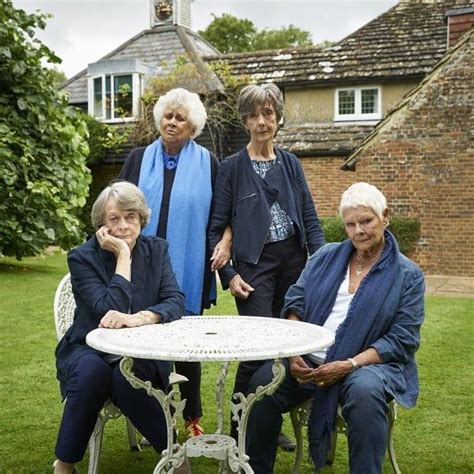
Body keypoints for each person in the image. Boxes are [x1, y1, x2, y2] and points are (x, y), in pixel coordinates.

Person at [246, 182, 425, 474]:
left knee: (366, 393)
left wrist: (349, 364)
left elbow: (402, 339)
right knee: (262, 384)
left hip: (366, 364)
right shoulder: (326, 257)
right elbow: (296, 300)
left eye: (366, 221)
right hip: (307, 359)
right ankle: (255, 469)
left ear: (385, 216)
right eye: (350, 224)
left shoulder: (408, 275)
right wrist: (294, 354)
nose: (358, 231)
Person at [208, 83, 325, 448]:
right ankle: (238, 427)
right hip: (254, 267)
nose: (262, 121)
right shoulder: (232, 168)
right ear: (245, 121)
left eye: (269, 114)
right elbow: (216, 226)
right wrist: (229, 275)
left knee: (291, 342)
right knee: (257, 347)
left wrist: (322, 264)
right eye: (255, 115)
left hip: (295, 261)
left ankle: (268, 426)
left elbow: (309, 216)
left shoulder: (290, 163)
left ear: (277, 118)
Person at [119, 87, 231, 437]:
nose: (172, 122)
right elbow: (117, 206)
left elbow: (222, 214)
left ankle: (192, 417)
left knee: (187, 344)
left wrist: (225, 242)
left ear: (193, 126)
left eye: (180, 117)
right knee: (144, 339)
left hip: (189, 264)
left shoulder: (209, 163)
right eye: (168, 115)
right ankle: (152, 413)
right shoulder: (138, 159)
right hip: (141, 265)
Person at [53, 182, 186, 474]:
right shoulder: (82, 257)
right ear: (101, 224)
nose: (124, 225)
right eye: (114, 218)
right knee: (91, 373)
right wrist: (123, 256)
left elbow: (175, 300)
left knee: (127, 379)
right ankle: (64, 463)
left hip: (142, 350)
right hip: (89, 346)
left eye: (131, 217)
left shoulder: (156, 250)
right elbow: (106, 309)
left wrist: (141, 317)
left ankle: (174, 457)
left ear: (141, 219)